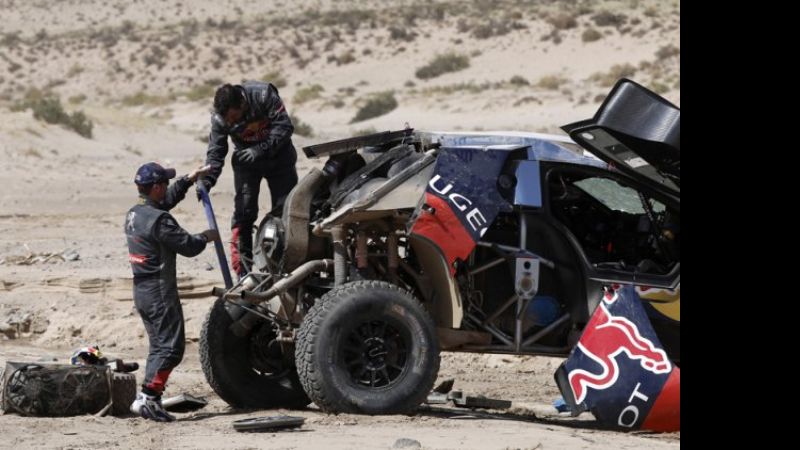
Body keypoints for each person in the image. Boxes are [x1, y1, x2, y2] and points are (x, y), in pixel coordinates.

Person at [124, 162, 219, 422]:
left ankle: (146, 398)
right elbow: (188, 246)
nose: (167, 187)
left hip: (142, 290)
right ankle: (149, 398)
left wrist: (188, 180)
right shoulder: (159, 220)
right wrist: (207, 236)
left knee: (159, 346)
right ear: (155, 188)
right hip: (159, 291)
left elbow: (164, 203)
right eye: (164, 184)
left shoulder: (136, 213)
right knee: (171, 349)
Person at [199, 81, 298, 277]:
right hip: (246, 161)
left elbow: (285, 126)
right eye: (228, 120)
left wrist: (260, 149)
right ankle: (243, 273)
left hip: (279, 157)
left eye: (234, 117)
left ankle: (285, 268)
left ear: (243, 105)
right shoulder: (220, 118)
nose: (231, 123)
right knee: (243, 214)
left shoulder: (263, 95)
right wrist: (208, 179)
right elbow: (216, 152)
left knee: (285, 211)